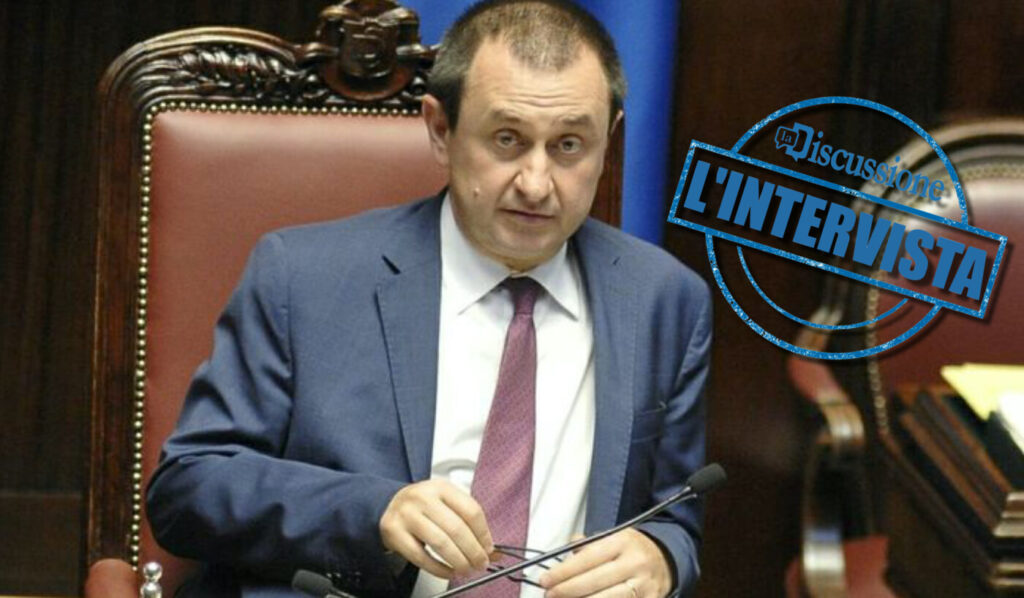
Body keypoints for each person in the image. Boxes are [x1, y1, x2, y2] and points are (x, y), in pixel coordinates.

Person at [146, 1, 711, 597]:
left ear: (609, 140)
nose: (537, 184)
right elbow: (188, 488)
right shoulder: (303, 277)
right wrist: (374, 512)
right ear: (441, 130)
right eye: (507, 140)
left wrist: (663, 559)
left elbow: (674, 516)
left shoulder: (664, 301)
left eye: (569, 145)